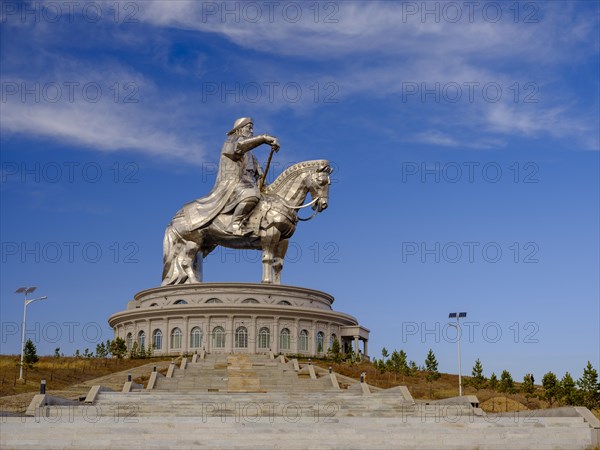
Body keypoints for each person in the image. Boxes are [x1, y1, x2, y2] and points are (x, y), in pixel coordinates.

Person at [182, 117, 279, 235]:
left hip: (248, 184)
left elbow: (259, 173)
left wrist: (263, 182)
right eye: (249, 128)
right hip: (233, 183)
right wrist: (263, 138)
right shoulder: (231, 141)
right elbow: (240, 146)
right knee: (251, 195)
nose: (252, 131)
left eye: (252, 128)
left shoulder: (251, 155)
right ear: (240, 129)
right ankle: (235, 224)